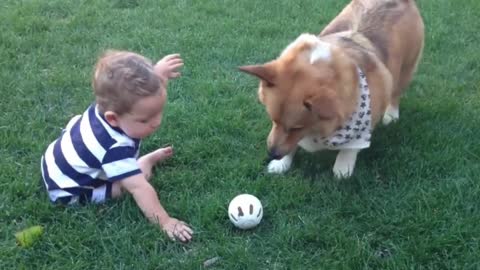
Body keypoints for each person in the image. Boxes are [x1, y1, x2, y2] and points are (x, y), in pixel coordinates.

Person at [40, 50, 193, 242]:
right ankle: (141, 165)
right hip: (68, 189)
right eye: (145, 119)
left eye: (159, 112)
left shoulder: (108, 105)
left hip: (54, 161)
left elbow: (138, 92)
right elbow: (140, 189)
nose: (156, 122)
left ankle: (133, 165)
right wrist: (165, 221)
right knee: (126, 186)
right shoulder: (114, 148)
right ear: (113, 118)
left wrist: (157, 76)